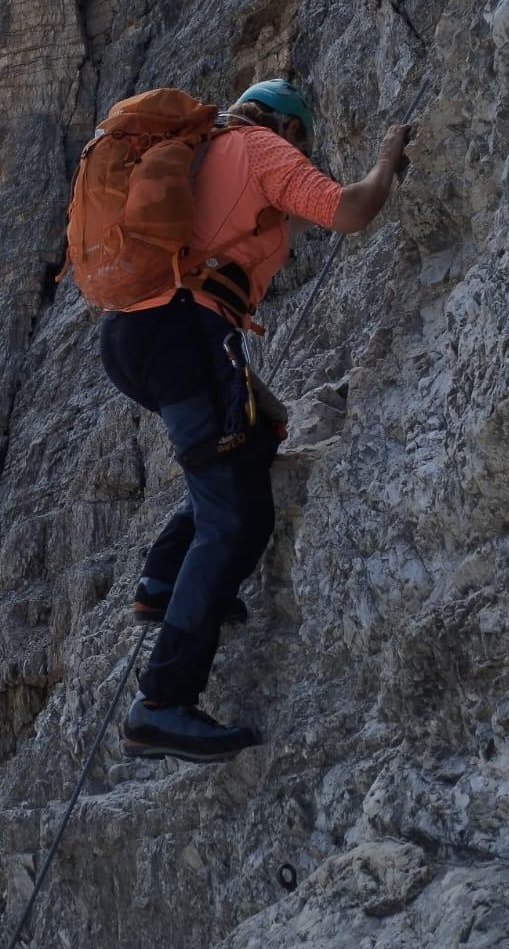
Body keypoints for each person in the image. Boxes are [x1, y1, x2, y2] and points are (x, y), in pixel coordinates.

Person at [100, 78, 411, 763]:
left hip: (137, 337)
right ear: (289, 127)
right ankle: (161, 703)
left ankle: (161, 583)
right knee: (238, 520)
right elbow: (349, 210)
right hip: (185, 335)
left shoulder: (205, 151)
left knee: (255, 435)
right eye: (305, 140)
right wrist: (388, 159)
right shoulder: (263, 148)